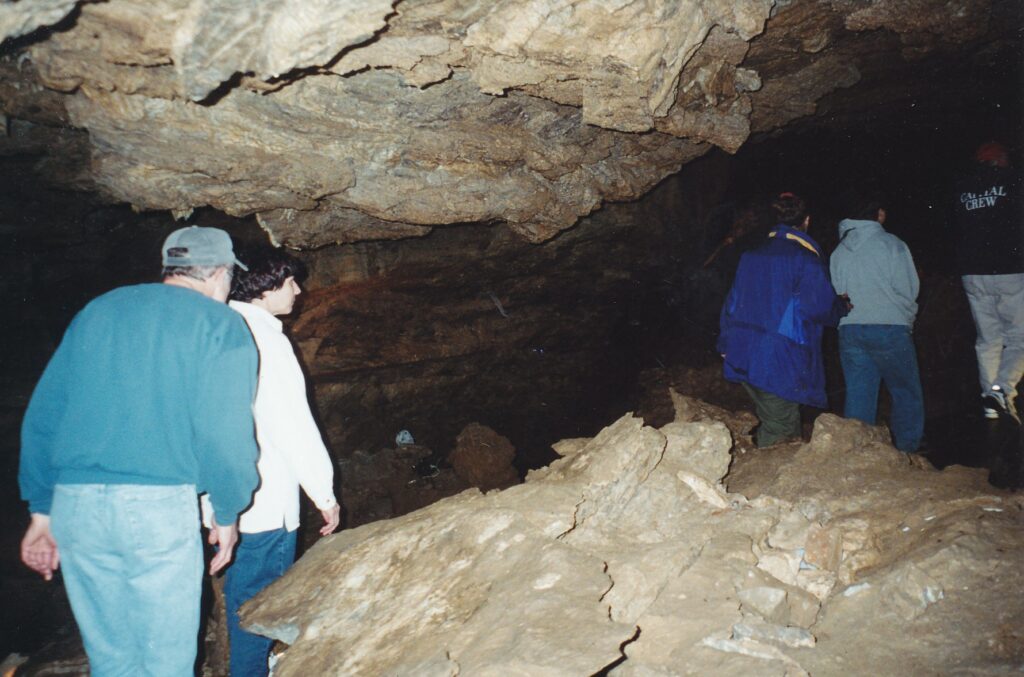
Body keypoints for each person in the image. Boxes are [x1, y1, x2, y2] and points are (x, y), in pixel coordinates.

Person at [18, 226, 260, 675]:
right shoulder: (220, 324)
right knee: (165, 661)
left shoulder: (100, 310)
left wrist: (41, 512)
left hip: (76, 507)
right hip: (155, 507)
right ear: (220, 273)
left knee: (111, 659)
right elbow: (224, 431)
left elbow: (45, 415)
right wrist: (228, 512)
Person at [203, 248, 340, 677]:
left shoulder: (214, 329)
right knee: (260, 603)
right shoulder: (267, 338)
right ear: (263, 287)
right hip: (263, 500)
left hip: (222, 498)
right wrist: (324, 492)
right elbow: (293, 425)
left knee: (241, 597)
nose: (298, 291)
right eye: (289, 282)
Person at [718, 193, 849, 447]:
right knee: (781, 429)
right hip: (778, 358)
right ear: (806, 221)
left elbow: (731, 303)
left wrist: (725, 344)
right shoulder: (804, 258)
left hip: (742, 351)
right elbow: (819, 308)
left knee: (772, 418)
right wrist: (840, 307)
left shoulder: (751, 255)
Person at [830, 193, 924, 452]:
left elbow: (838, 292)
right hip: (889, 326)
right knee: (905, 392)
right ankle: (908, 451)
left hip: (850, 329)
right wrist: (907, 318)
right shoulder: (892, 244)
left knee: (859, 393)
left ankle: (857, 452)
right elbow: (908, 289)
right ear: (879, 214)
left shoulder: (839, 251)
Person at [951, 141, 1023, 422]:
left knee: (988, 340)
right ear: (1000, 160)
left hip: (973, 273)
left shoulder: (963, 188)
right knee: (1019, 337)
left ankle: (990, 402)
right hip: (1011, 270)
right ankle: (1002, 390)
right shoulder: (1013, 181)